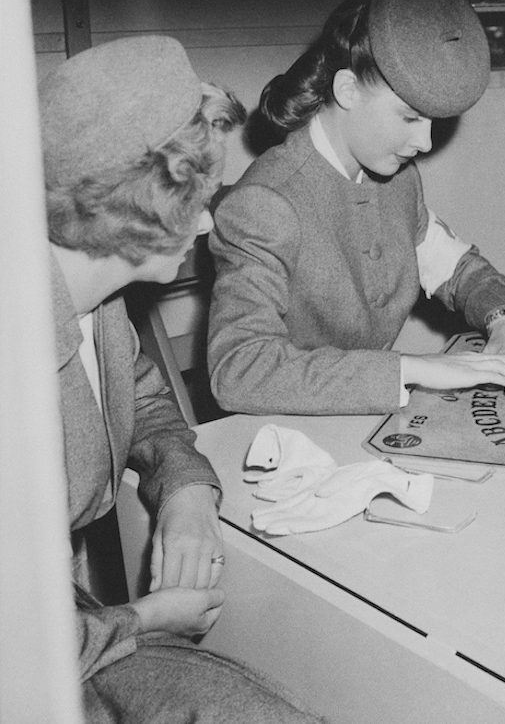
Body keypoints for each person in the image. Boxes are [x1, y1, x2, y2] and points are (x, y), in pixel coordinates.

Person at [40, 35, 327, 722]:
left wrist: (189, 494)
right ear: (137, 205)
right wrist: (140, 617)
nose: (205, 222)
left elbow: (150, 408)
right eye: (196, 200)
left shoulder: (101, 308)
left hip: (69, 623)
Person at [206, 0, 505, 416]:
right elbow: (238, 372)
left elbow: (455, 266)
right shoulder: (265, 204)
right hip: (283, 435)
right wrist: (413, 369)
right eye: (410, 118)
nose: (426, 143)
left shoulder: (399, 180)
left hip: (368, 424)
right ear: (347, 90)